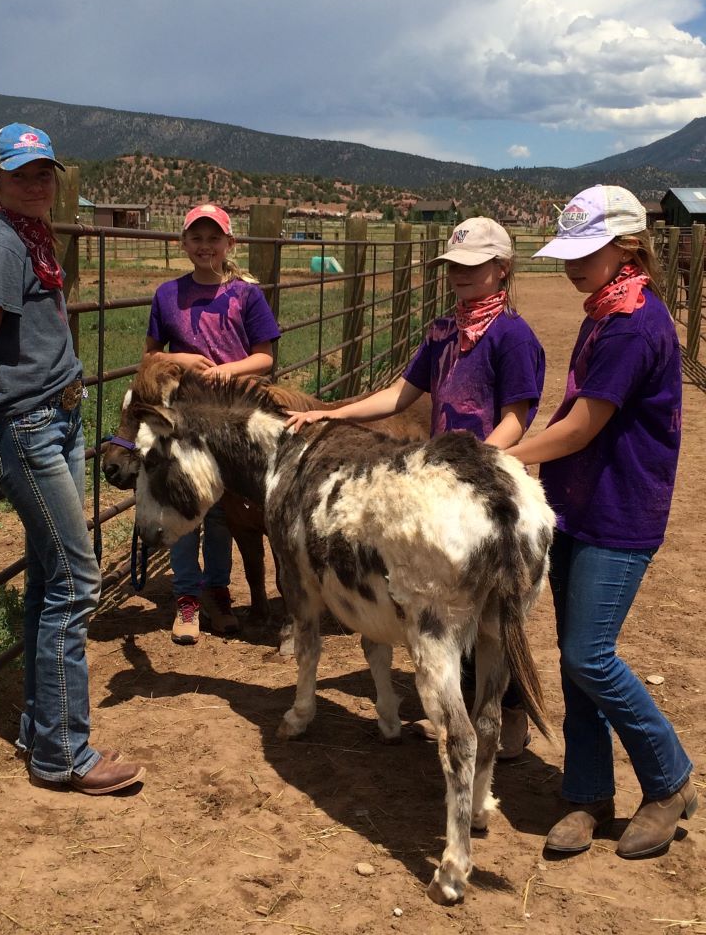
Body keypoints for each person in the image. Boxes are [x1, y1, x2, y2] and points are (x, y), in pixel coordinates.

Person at [286, 216, 545, 758]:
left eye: (472, 267)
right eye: (453, 267)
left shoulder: (514, 337)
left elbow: (518, 417)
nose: (459, 276)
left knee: (491, 613)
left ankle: (508, 711)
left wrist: (475, 469)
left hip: (479, 482)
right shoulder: (443, 332)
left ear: (502, 269)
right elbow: (401, 395)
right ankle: (478, 712)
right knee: (454, 607)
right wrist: (331, 414)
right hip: (441, 487)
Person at [0, 123, 145, 794]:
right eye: (23, 172)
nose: (38, 182)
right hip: (29, 425)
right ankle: (64, 753)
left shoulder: (30, 240)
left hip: (55, 416)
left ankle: (45, 727)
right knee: (76, 581)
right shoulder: (0, 246)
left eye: (46, 172)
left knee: (48, 580)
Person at [508, 184, 696, 858]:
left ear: (627, 246)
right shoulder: (602, 313)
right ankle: (588, 791)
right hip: (579, 506)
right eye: (568, 251)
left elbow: (586, 423)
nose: (572, 263)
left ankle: (669, 778)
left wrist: (501, 455)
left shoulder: (634, 324)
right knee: (575, 657)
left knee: (590, 654)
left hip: (619, 511)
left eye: (586, 250)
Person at [144, 203, 280, 645]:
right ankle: (187, 596)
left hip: (233, 422)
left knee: (224, 513)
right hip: (184, 421)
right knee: (187, 508)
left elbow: (266, 357)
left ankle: (217, 591)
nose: (205, 246)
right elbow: (149, 358)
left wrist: (230, 371)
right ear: (183, 244)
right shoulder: (167, 295)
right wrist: (178, 358)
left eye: (213, 238)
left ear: (229, 244)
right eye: (196, 238)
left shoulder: (246, 295)